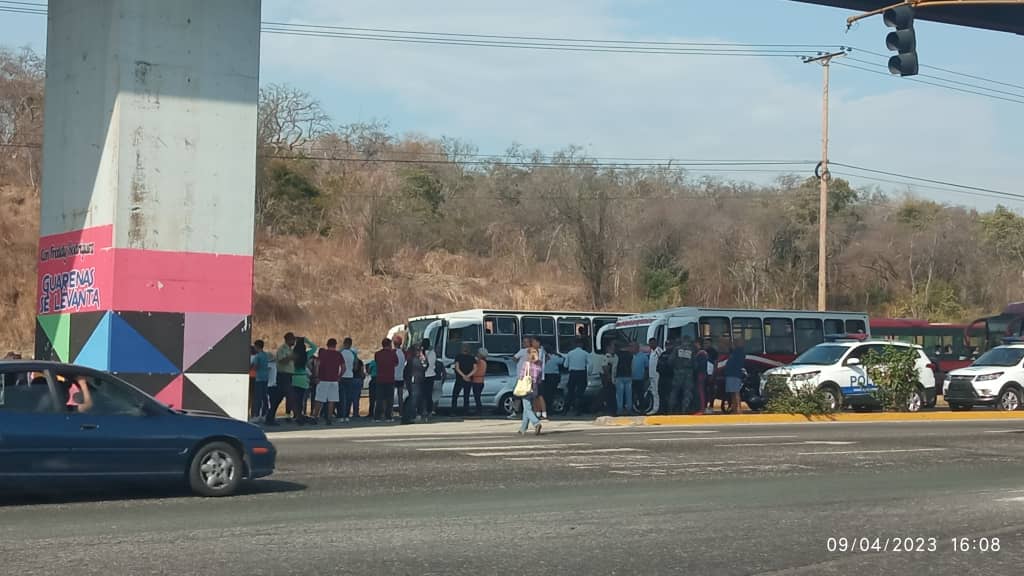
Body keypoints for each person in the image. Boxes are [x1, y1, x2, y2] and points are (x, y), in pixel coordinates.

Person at [266, 332, 297, 426]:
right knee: (290, 395)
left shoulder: (290, 349)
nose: (294, 341)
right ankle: (297, 415)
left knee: (278, 398)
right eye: (292, 339)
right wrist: (290, 357)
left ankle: (270, 417)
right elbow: (281, 360)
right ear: (288, 340)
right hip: (283, 376)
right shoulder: (282, 349)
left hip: (288, 376)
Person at [314, 338, 343, 425]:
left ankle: (316, 417)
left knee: (319, 399)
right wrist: (339, 376)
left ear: (327, 344)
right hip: (334, 380)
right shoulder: (338, 354)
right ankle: (329, 418)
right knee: (332, 400)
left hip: (323, 379)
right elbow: (343, 367)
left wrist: (316, 376)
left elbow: (317, 365)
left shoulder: (323, 354)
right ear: (335, 345)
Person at [517, 347, 544, 435]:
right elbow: (539, 378)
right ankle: (523, 429)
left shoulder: (526, 364)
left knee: (528, 408)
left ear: (528, 354)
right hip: (535, 388)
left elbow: (521, 376)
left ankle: (536, 423)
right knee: (527, 409)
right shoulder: (539, 363)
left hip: (526, 389)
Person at [291, 337, 316, 424]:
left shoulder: (292, 354)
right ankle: (300, 415)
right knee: (301, 399)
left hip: (294, 378)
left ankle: (296, 415)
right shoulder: (306, 355)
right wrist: (306, 340)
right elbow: (314, 347)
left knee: (295, 399)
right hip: (303, 378)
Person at [373, 339, 398, 422]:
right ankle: (388, 416)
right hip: (390, 378)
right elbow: (396, 363)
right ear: (390, 345)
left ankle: (377, 416)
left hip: (380, 378)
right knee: (389, 399)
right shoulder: (393, 354)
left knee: (379, 398)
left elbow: (377, 362)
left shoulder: (377, 354)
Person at [564, 338, 590, 415]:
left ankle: (566, 410)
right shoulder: (585, 353)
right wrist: (588, 372)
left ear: (575, 344)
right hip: (582, 373)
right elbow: (590, 364)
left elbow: (565, 365)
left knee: (570, 392)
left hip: (572, 373)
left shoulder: (570, 353)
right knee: (580, 393)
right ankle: (578, 410)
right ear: (581, 345)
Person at [669, 338, 695, 414]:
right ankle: (685, 409)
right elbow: (695, 363)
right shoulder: (691, 350)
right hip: (689, 373)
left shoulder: (677, 349)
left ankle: (671, 408)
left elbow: (670, 361)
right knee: (687, 392)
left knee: (674, 391)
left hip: (678, 372)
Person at [250, 340, 271, 423]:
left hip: (258, 378)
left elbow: (255, 367)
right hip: (265, 378)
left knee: (257, 398)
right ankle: (264, 414)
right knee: (264, 397)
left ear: (257, 346)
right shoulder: (266, 355)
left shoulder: (257, 356)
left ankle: (256, 415)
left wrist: (250, 367)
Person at [452, 343, 476, 415]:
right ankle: (466, 411)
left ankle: (453, 411)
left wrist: (463, 376)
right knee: (466, 396)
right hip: (468, 379)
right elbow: (475, 369)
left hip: (459, 379)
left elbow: (457, 367)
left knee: (455, 395)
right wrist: (468, 376)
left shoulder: (458, 357)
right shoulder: (472, 357)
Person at [541, 344, 562, 420]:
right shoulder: (555, 357)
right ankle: (550, 410)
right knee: (552, 393)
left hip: (545, 376)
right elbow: (562, 361)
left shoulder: (543, 358)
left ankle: (546, 409)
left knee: (546, 394)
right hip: (554, 376)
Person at [339, 338, 359, 421]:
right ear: (351, 344)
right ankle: (346, 415)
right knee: (348, 397)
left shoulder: (340, 352)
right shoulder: (353, 353)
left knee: (341, 397)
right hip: (350, 376)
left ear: (344, 343)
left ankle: (340, 415)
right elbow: (356, 366)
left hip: (341, 376)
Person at [725, 337, 746, 414]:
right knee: (732, 393)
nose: (735, 343)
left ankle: (738, 409)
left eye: (738, 341)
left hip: (735, 374)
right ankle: (734, 409)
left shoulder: (740, 352)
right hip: (730, 374)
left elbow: (738, 364)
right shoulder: (734, 352)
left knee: (736, 392)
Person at [418, 339, 437, 422]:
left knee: (421, 394)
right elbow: (433, 363)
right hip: (430, 375)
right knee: (429, 395)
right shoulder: (432, 353)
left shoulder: (420, 353)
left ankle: (421, 411)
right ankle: (429, 411)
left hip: (422, 376)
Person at [613, 341, 634, 416]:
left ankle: (619, 410)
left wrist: (613, 377)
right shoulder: (630, 355)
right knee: (629, 394)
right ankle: (629, 410)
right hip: (628, 376)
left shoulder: (617, 355)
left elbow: (615, 367)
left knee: (619, 395)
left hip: (619, 376)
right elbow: (632, 365)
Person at [631, 342, 650, 414]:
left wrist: (645, 377)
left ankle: (642, 409)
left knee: (640, 395)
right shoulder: (630, 356)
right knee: (632, 395)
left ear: (637, 348)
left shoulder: (643, 356)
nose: (631, 348)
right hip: (631, 379)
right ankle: (632, 409)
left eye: (632, 347)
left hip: (640, 379)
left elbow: (647, 368)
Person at [646, 338, 663, 416]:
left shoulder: (658, 351)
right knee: (653, 392)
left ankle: (656, 409)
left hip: (656, 375)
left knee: (656, 393)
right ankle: (654, 407)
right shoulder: (652, 352)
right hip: (651, 375)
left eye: (651, 343)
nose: (650, 345)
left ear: (655, 343)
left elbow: (661, 362)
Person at [469, 348, 487, 416]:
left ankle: (479, 410)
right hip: (481, 382)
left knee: (477, 397)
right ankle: (479, 409)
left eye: (478, 353)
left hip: (477, 381)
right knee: (477, 396)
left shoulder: (479, 361)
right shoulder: (484, 362)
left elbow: (475, 360)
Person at [703, 338, 718, 413]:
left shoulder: (714, 352)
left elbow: (716, 363)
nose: (706, 345)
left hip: (711, 374)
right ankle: (704, 406)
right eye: (705, 343)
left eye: (707, 343)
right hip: (704, 373)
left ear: (710, 344)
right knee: (704, 391)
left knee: (711, 391)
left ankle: (711, 406)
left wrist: (713, 374)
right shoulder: (702, 351)